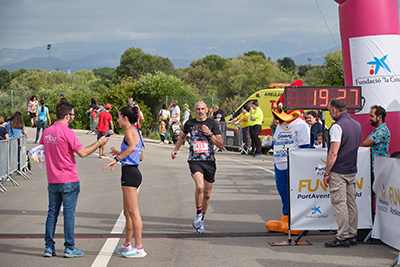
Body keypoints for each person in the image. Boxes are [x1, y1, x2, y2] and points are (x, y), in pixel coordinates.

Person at [41, 101, 109, 258]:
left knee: (52, 213)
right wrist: (99, 142)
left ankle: (49, 247)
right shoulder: (68, 132)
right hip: (68, 179)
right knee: (68, 214)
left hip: (52, 179)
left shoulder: (47, 132)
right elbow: (83, 152)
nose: (73, 117)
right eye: (72, 115)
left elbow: (41, 150)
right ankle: (69, 247)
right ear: (67, 116)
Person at [171, 101, 224, 233]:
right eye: (198, 109)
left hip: (209, 161)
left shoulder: (213, 124)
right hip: (195, 160)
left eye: (202, 109)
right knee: (199, 187)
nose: (200, 111)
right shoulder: (189, 124)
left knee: (207, 194)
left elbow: (221, 145)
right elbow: (182, 137)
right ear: (195, 111)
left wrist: (210, 134)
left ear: (206, 110)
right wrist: (175, 149)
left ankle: (201, 218)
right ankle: (198, 212)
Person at [103, 106, 147, 258]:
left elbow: (133, 148)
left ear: (126, 118)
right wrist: (121, 153)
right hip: (133, 171)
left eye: (119, 117)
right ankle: (128, 245)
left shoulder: (129, 131)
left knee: (133, 213)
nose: (117, 120)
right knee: (128, 212)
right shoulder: (137, 132)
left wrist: (117, 158)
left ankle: (139, 248)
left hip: (129, 173)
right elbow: (139, 156)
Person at [266, 90, 310, 235]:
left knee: (295, 193)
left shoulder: (301, 125)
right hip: (279, 163)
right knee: (283, 193)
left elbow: (305, 147)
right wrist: (270, 143)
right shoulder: (279, 125)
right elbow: (278, 143)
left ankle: (298, 220)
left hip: (294, 165)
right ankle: (285, 219)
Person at [323, 98, 361, 248]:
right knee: (351, 203)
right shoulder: (357, 125)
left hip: (339, 170)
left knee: (340, 204)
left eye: (329, 110)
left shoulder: (337, 126)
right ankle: (352, 234)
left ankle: (342, 236)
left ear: (334, 110)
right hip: (352, 169)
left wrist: (327, 172)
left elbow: (333, 153)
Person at [360, 105, 390, 170]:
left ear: (379, 117)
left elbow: (365, 143)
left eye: (372, 116)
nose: (369, 118)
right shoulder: (377, 130)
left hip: (379, 168)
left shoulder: (382, 131)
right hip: (376, 167)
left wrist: (370, 142)